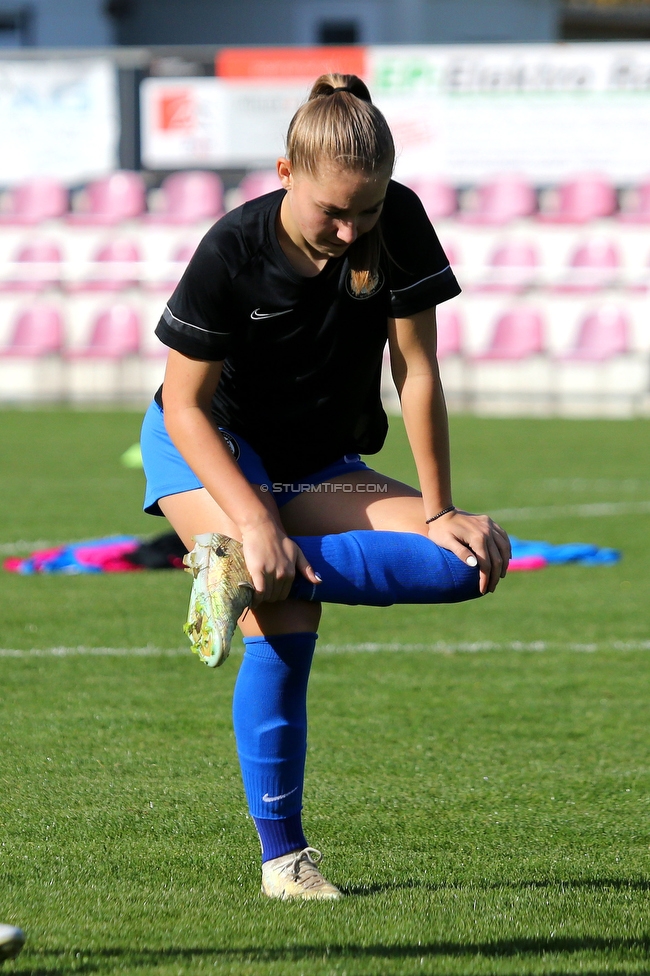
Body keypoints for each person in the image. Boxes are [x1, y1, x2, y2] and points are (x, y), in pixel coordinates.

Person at [140, 73, 511, 900]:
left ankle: (234, 565)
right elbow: (189, 406)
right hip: (212, 446)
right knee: (290, 604)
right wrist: (250, 517)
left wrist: (442, 506)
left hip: (317, 464)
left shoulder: (400, 220)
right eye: (331, 212)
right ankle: (286, 863)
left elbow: (416, 368)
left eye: (366, 212)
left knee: (473, 558)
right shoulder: (231, 249)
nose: (350, 230)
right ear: (284, 172)